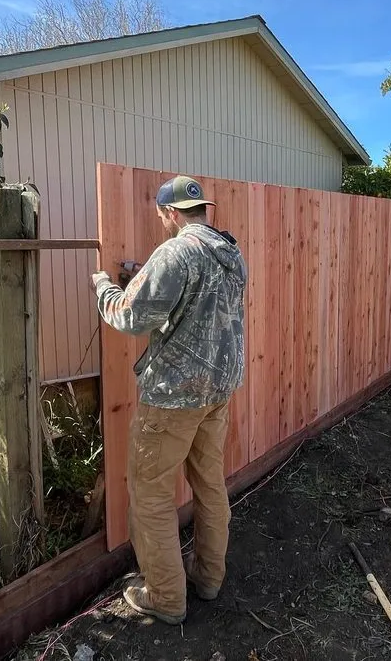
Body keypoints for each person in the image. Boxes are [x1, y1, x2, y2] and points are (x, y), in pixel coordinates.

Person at [90, 175, 246, 625]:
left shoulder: (175, 252)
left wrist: (105, 286)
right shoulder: (230, 253)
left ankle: (166, 598)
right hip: (218, 391)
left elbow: (130, 317)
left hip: (174, 397)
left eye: (162, 215)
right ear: (202, 210)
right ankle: (209, 578)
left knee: (152, 496)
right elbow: (197, 304)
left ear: (171, 214)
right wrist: (145, 278)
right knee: (210, 484)